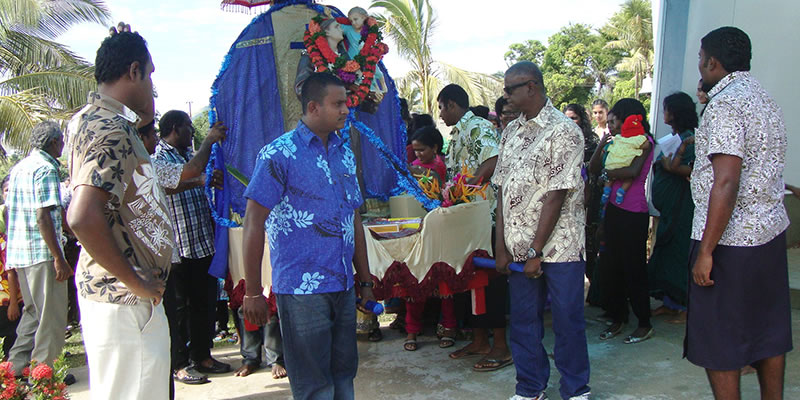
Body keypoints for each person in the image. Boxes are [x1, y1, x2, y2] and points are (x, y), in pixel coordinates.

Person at [241, 72, 377, 400]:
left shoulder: (344, 152)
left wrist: (365, 280)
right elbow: (253, 222)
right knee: (313, 386)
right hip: (302, 290)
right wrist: (253, 292)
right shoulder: (278, 154)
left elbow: (353, 217)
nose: (346, 109)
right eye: (339, 103)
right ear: (314, 107)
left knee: (344, 375)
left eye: (347, 102)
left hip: (343, 286)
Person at [687, 27, 792, 400]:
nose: (699, 65)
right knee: (768, 331)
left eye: (701, 58)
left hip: (730, 242)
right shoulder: (765, 99)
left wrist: (707, 251)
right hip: (769, 233)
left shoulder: (725, 104)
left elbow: (726, 181)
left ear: (713, 62)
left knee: (719, 339)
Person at [67, 31, 172, 399]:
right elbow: (82, 216)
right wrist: (135, 282)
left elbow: (143, 122)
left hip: (115, 295)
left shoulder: (90, 119)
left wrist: (144, 108)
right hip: (125, 298)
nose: (153, 84)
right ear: (134, 71)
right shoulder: (111, 131)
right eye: (150, 73)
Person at [494, 61, 590, 400]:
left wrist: (536, 251)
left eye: (510, 89)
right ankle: (530, 387)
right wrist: (501, 247)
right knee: (523, 322)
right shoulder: (509, 132)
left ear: (531, 87)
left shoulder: (565, 131)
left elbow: (556, 194)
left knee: (567, 320)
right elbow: (502, 191)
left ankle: (576, 389)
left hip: (559, 247)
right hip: (518, 247)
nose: (504, 96)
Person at [154, 110, 232, 383]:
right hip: (178, 247)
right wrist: (209, 142)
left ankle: (203, 355)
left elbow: (200, 174)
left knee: (205, 304)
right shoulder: (159, 158)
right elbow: (184, 178)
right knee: (179, 310)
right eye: (189, 127)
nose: (193, 133)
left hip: (201, 242)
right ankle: (179, 364)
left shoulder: (188, 155)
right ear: (175, 128)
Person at [437, 84, 510, 372]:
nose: (440, 114)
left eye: (441, 107)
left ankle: (501, 346)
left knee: (492, 284)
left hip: (487, 219)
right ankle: (480, 340)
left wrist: (466, 190)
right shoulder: (455, 134)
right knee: (471, 281)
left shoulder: (478, 126)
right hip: (466, 221)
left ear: (452, 104)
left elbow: (492, 161)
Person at [5, 121, 72, 380]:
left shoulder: (19, 168)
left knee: (32, 316)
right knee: (51, 321)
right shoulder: (45, 169)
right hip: (43, 255)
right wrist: (59, 258)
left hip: (22, 255)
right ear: (54, 143)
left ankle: (14, 370)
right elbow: (43, 216)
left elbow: (12, 212)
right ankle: (45, 378)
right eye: (61, 142)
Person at [588, 99, 654, 344]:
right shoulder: (614, 143)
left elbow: (632, 171)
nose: (611, 125)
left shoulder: (644, 141)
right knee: (611, 266)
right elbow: (595, 169)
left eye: (615, 120)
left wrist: (609, 173)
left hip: (633, 213)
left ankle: (644, 323)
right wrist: (603, 145)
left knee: (633, 268)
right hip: (613, 210)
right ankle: (618, 318)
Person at [647, 92, 698, 324]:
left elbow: (691, 171)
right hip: (668, 211)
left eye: (666, 108)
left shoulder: (690, 140)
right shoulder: (673, 138)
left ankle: (685, 307)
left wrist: (670, 167)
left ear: (675, 112)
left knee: (679, 255)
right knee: (666, 255)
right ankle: (669, 303)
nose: (664, 113)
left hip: (681, 207)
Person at [564, 104, 602, 283]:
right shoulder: (560, 138)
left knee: (589, 237)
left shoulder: (591, 141)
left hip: (590, 191)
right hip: (567, 195)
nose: (570, 122)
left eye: (574, 118)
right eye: (567, 118)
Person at [600, 115, 649, 205]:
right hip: (625, 164)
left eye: (613, 122)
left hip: (630, 204)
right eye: (608, 122)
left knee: (610, 179)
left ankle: (606, 191)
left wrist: (606, 173)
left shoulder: (619, 138)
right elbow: (645, 145)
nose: (610, 126)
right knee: (628, 180)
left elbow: (633, 172)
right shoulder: (639, 139)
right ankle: (622, 190)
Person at [0, 175, 22, 360]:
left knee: (13, 336)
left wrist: (14, 302)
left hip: (9, 299)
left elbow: (10, 272)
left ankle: (12, 369)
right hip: (8, 301)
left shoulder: (4, 243)